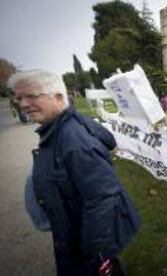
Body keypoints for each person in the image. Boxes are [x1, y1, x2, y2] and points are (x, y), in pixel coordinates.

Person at [8, 70, 140, 276]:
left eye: (31, 96)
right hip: (74, 233)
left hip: (86, 248)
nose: (23, 104)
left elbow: (102, 197)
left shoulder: (74, 141)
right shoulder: (56, 129)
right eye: (19, 98)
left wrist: (91, 252)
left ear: (58, 97)